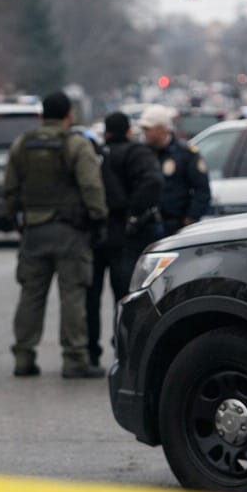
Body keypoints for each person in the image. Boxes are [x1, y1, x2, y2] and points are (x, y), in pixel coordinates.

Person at [5, 91, 108, 379]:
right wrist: (98, 218)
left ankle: (24, 356)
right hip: (70, 232)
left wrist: (19, 219)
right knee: (72, 295)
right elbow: (92, 186)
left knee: (30, 295)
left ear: (41, 115)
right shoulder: (76, 144)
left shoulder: (22, 144)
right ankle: (74, 359)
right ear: (68, 116)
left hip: (34, 230)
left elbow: (10, 188)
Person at [85, 111, 164, 366]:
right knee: (126, 297)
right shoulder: (137, 153)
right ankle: (126, 351)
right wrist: (134, 215)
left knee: (90, 296)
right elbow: (152, 182)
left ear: (106, 133)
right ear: (129, 131)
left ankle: (90, 352)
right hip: (125, 234)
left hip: (95, 231)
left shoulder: (94, 155)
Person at [139, 104, 211, 237]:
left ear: (161, 128)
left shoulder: (185, 153)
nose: (144, 132)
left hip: (176, 226)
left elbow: (202, 189)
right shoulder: (142, 153)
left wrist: (190, 219)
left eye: (147, 128)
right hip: (146, 227)